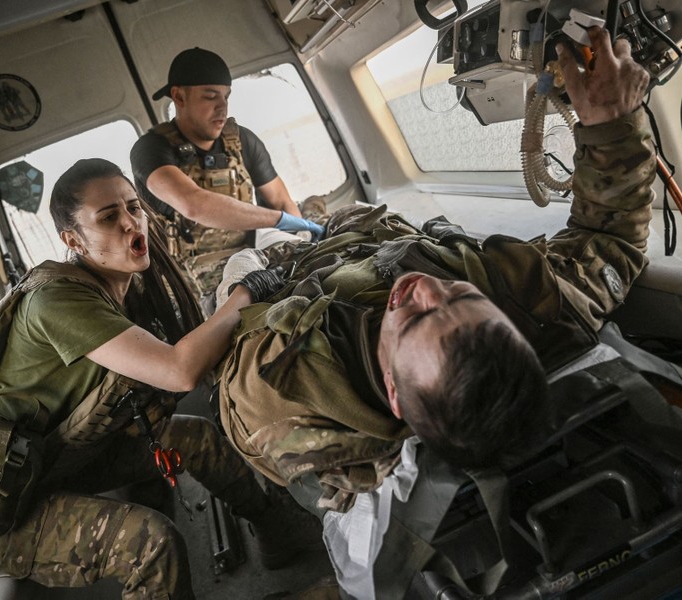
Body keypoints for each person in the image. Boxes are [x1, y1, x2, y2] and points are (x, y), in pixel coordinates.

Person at [214, 27, 655, 513]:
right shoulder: (532, 314)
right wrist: (610, 123)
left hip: (284, 271)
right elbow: (612, 241)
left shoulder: (279, 391)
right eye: (462, 297)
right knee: (328, 210)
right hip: (367, 226)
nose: (423, 288)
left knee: (257, 238)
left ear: (395, 397)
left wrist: (250, 280)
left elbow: (234, 394)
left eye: (416, 317)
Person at [0, 158, 315, 600]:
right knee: (150, 544)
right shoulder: (58, 299)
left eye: (134, 208)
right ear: (73, 240)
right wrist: (248, 289)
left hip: (55, 464)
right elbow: (179, 370)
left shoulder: (119, 286)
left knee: (196, 437)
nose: (132, 223)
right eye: (109, 217)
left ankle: (279, 533)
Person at [131, 47, 324, 315]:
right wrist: (278, 219)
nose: (222, 107)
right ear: (178, 96)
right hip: (189, 284)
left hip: (252, 259)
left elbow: (280, 199)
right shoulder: (151, 150)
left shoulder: (241, 140)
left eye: (226, 97)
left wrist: (301, 242)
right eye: (210, 97)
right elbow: (194, 205)